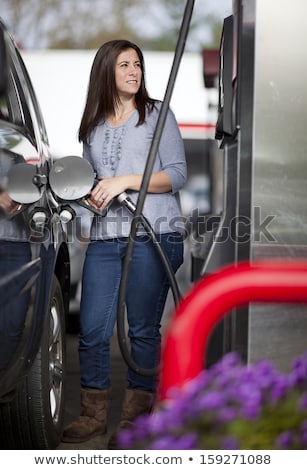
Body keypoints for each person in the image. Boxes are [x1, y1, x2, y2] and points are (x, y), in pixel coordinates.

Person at [62, 39, 187, 449]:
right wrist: (90, 193)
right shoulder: (94, 124)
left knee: (143, 331)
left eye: (137, 64)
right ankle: (93, 415)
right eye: (124, 65)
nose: (134, 71)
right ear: (106, 73)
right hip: (105, 236)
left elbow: (177, 174)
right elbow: (95, 179)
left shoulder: (156, 114)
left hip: (154, 233)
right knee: (93, 329)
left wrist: (125, 181)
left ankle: (136, 420)